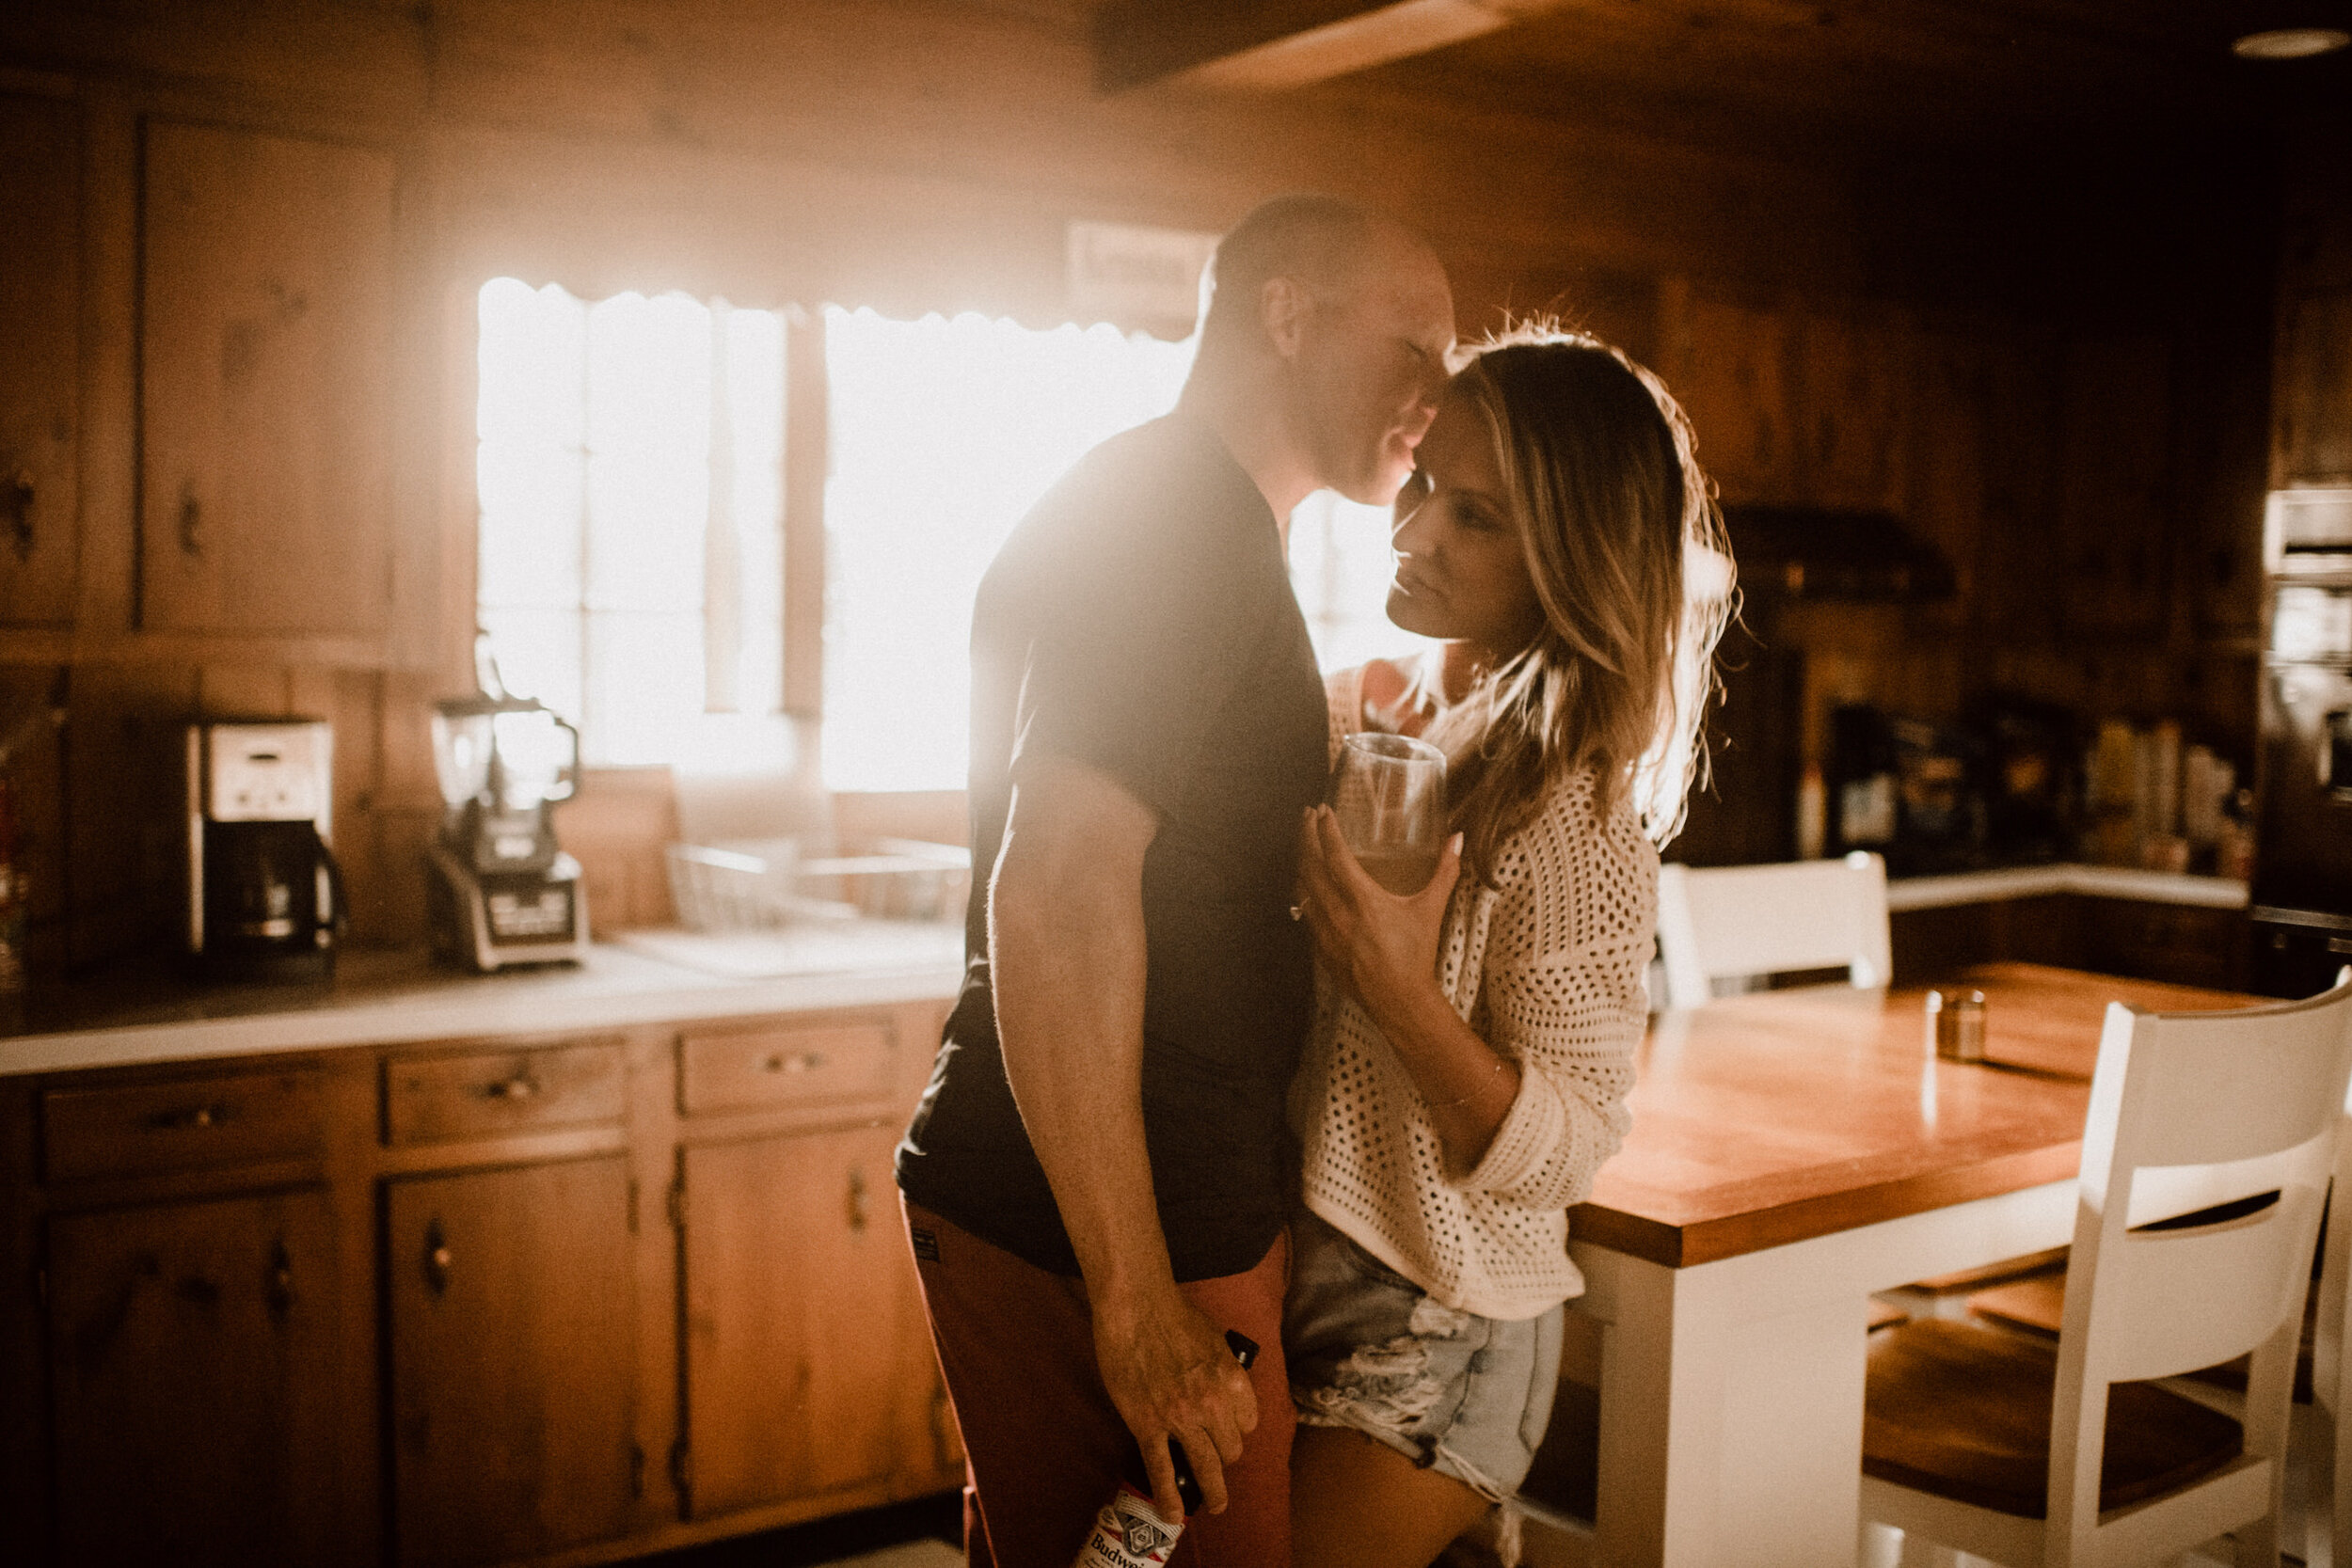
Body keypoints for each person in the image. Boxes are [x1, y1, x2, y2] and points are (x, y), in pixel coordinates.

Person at [894, 193, 1455, 1567]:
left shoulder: (1170, 508)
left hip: (1108, 1193)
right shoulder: (1180, 529)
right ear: (1285, 314)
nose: (1437, 397)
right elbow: (1056, 893)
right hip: (1110, 1217)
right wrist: (1137, 1302)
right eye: (1414, 349)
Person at [1282, 326, 1732, 1568]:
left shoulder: (1572, 821)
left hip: (1438, 1326)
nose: (1414, 531)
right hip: (1301, 1283)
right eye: (1424, 483)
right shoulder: (1363, 711)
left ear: (1565, 563)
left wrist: (1393, 981)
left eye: (1475, 517)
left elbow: (1569, 1149)